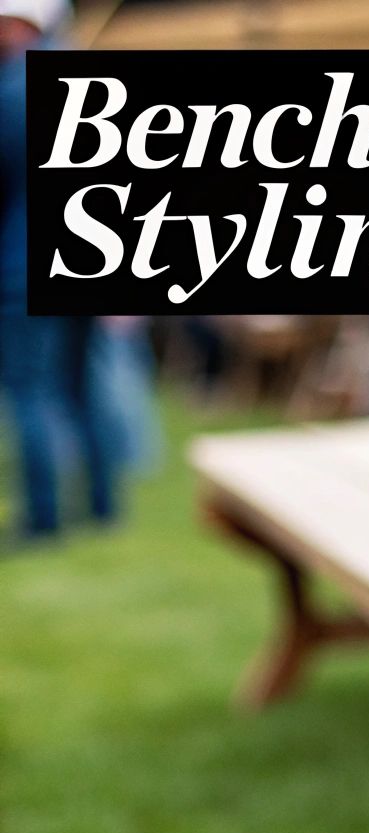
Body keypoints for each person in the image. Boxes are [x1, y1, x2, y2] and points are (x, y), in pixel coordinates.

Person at [1, 0, 120, 542]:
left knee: (33, 392)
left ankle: (44, 518)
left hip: (26, 266)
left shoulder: (16, 88)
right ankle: (101, 506)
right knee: (81, 387)